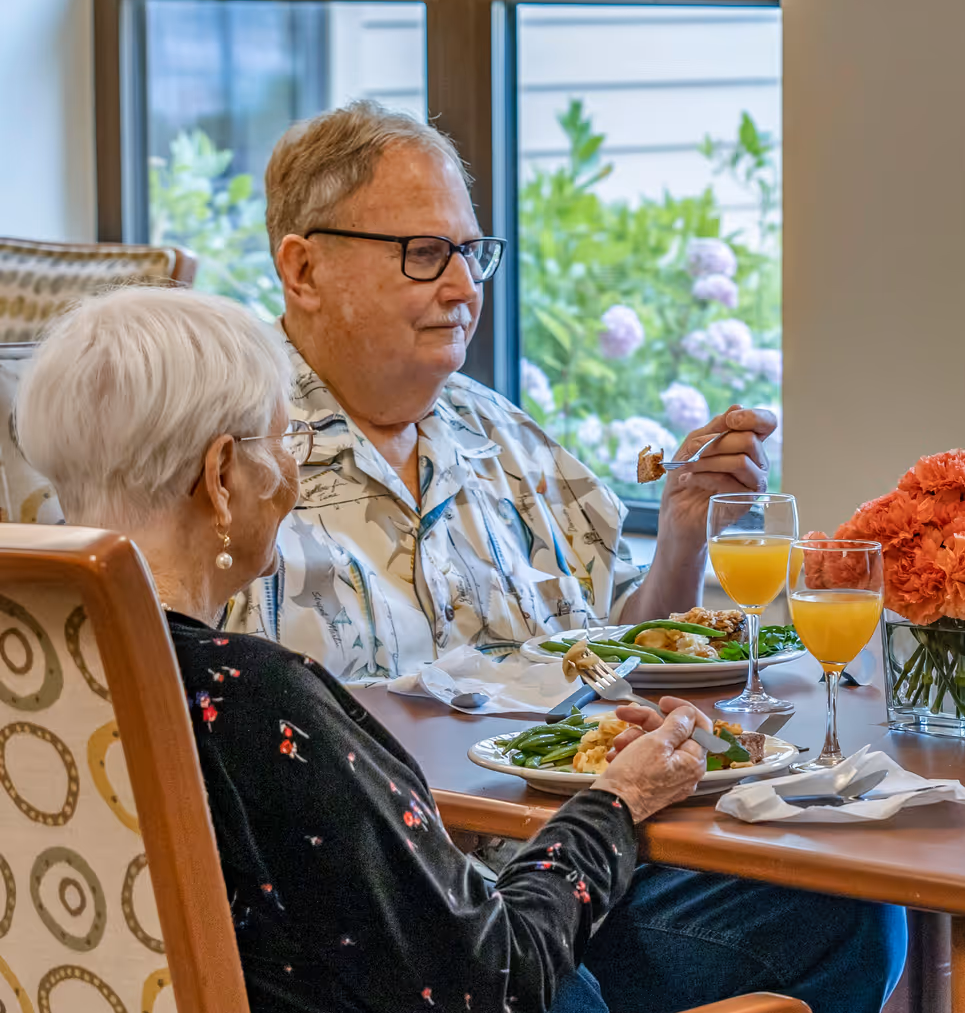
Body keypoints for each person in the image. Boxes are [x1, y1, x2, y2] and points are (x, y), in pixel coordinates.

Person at [13, 287, 890, 1013]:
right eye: (284, 447)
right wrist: (616, 802)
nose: (292, 476)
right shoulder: (259, 698)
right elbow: (490, 987)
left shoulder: (49, 693)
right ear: (221, 478)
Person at [226, 98, 771, 685]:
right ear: (304, 270)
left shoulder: (509, 442)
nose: (464, 287)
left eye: (470, 253)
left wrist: (682, 534)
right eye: (427, 254)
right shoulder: (222, 463)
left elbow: (624, 655)